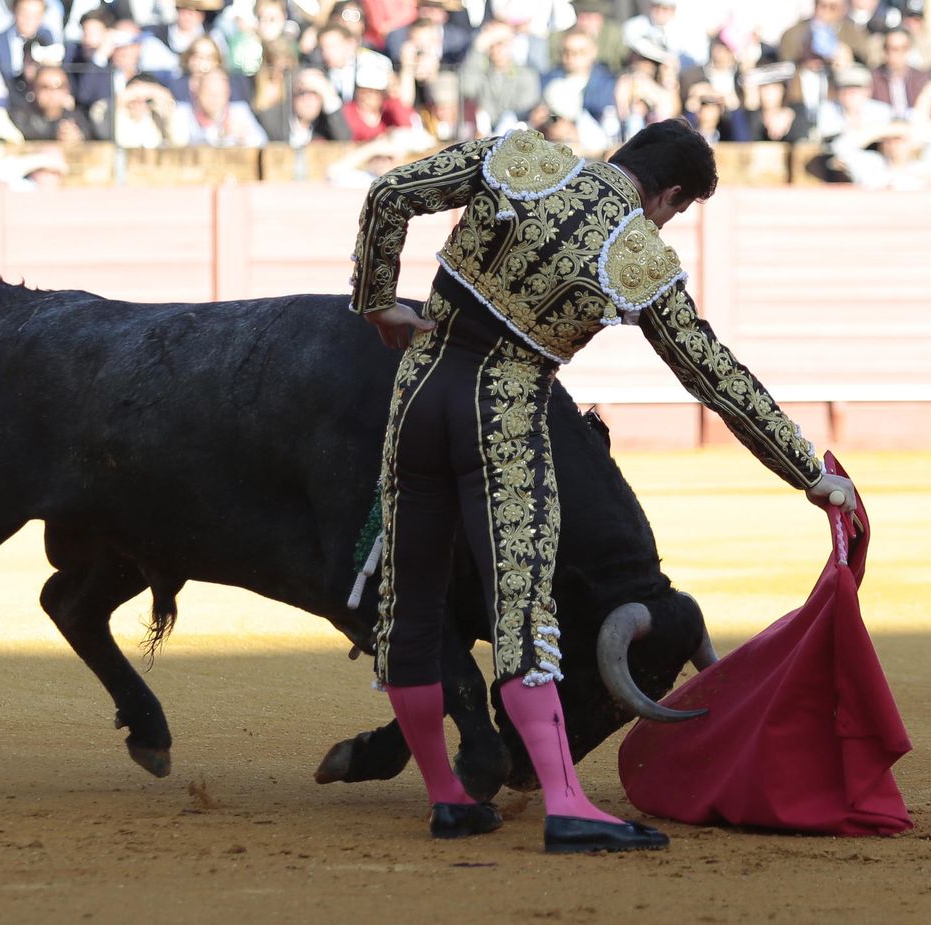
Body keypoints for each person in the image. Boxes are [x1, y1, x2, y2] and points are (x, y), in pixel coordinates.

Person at [346, 118, 856, 853]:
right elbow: (714, 377)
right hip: (504, 413)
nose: (669, 222)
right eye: (677, 210)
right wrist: (809, 472)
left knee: (413, 602)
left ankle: (447, 796)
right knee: (520, 609)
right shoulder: (638, 253)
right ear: (669, 194)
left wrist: (376, 301)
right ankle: (565, 802)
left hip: (419, 390)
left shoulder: (520, 155)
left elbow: (390, 191)